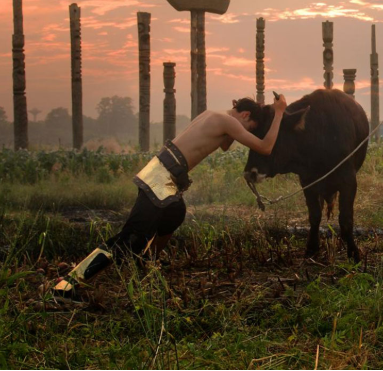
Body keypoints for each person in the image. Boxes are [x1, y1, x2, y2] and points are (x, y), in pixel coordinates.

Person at [51, 94, 287, 300]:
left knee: (175, 214)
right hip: (161, 177)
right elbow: (265, 147)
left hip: (166, 174)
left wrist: (254, 117)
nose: (246, 134)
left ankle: (147, 264)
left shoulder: (214, 115)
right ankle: (68, 284)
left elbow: (225, 145)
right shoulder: (228, 121)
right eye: (249, 127)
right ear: (245, 114)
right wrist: (278, 112)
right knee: (130, 238)